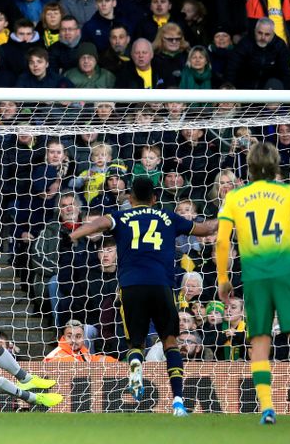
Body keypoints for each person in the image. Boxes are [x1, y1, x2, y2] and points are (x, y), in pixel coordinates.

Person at [70, 176, 217, 416]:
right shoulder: (168, 216)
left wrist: (74, 235)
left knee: (135, 343)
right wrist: (230, 216)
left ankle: (136, 369)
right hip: (162, 287)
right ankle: (178, 401)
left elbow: (97, 224)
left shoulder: (119, 216)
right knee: (170, 343)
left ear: (129, 197)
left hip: (131, 287)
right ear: (155, 199)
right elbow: (206, 229)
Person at [216, 141, 290, 425]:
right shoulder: (288, 192)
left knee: (260, 342)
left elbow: (223, 240)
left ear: (248, 167)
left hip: (254, 277)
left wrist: (223, 278)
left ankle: (267, 408)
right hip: (285, 272)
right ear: (277, 166)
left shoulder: (235, 197)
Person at [225, 17, 290, 90]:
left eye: (267, 34)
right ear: (255, 31)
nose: (263, 37)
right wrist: (230, 89)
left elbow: (286, 73)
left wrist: (286, 96)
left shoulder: (280, 46)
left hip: (268, 90)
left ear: (273, 34)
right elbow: (232, 67)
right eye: (260, 33)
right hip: (243, 89)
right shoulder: (245, 43)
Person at [44, 320, 118, 362]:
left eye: (78, 336)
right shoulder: (59, 356)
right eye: (69, 336)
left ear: (84, 338)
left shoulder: (81, 351)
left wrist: (114, 363)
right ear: (63, 337)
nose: (73, 340)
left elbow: (94, 359)